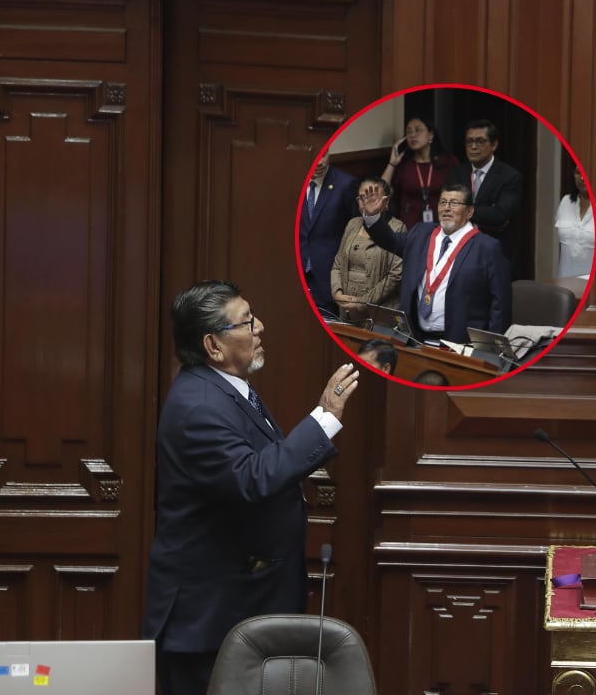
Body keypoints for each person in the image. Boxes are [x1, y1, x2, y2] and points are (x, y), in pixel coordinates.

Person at [143, 280, 360, 695]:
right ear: (213, 345)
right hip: (208, 624)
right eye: (246, 322)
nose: (260, 327)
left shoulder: (226, 392)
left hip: (237, 610)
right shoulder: (200, 405)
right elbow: (253, 477)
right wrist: (326, 416)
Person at [361, 182, 511, 342]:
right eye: (443, 202)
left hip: (461, 344)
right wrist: (373, 217)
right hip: (415, 339)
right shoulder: (421, 234)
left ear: (469, 211)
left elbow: (500, 303)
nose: (447, 208)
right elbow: (390, 241)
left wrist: (493, 350)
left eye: (454, 203)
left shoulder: (487, 247)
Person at [444, 119, 523, 272]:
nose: (473, 147)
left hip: (493, 251)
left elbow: (500, 215)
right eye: (469, 142)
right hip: (458, 249)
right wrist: (486, 211)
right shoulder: (456, 174)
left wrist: (463, 210)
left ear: (493, 145)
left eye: (480, 141)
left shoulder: (509, 176)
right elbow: (447, 209)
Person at [331, 176, 406, 321]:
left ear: (386, 201)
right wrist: (337, 293)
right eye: (361, 198)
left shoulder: (398, 228)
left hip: (378, 315)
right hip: (347, 311)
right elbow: (337, 264)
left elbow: (395, 275)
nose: (366, 202)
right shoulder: (352, 224)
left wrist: (362, 302)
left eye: (372, 198)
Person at [300, 151, 360, 316]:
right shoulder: (291, 179)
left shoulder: (346, 184)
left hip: (329, 279)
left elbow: (356, 231)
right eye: (314, 156)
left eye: (324, 155)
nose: (319, 162)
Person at [382, 116, 460, 229]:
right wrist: (392, 163)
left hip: (444, 226)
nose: (412, 135)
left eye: (418, 130)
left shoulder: (448, 161)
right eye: (408, 132)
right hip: (409, 228)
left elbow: (462, 195)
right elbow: (382, 194)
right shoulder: (404, 165)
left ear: (431, 135)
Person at [555, 166, 595, 278]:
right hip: (565, 282)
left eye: (587, 173)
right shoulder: (566, 202)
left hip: (594, 285)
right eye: (578, 172)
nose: (582, 178)